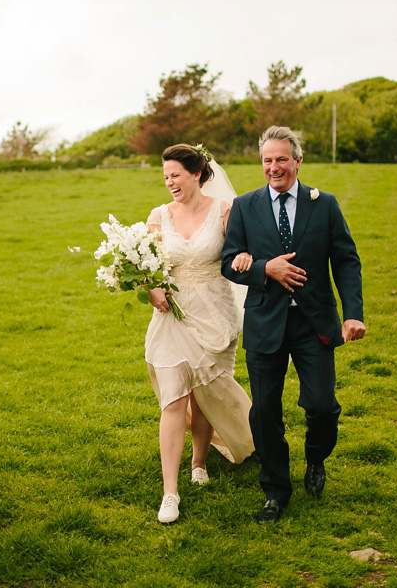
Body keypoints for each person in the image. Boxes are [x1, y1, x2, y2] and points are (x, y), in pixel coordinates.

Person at [220, 125, 365, 524]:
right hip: (266, 321)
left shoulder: (326, 204)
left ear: (298, 161)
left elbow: (346, 262)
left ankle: (316, 458)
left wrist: (353, 313)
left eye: (281, 159)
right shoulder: (245, 206)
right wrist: (267, 268)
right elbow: (229, 261)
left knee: (322, 405)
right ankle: (275, 491)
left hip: (314, 320)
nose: (274, 167)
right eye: (267, 160)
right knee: (264, 412)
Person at [144, 143, 256, 524]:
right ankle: (170, 492)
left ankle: (199, 461)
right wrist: (150, 287)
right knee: (174, 399)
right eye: (165, 176)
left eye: (175, 174)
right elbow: (144, 263)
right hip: (172, 314)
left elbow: (244, 249)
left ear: (196, 173)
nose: (169, 182)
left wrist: (247, 258)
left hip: (215, 314)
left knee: (204, 392)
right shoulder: (159, 216)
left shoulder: (225, 210)